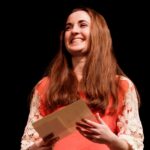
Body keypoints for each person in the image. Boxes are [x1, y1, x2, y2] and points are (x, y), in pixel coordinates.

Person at [20, 7, 144, 150]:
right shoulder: (46, 86)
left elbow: (135, 144)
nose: (74, 31)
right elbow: (28, 144)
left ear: (98, 34)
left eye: (83, 25)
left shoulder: (120, 85)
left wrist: (111, 140)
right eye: (68, 27)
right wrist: (37, 147)